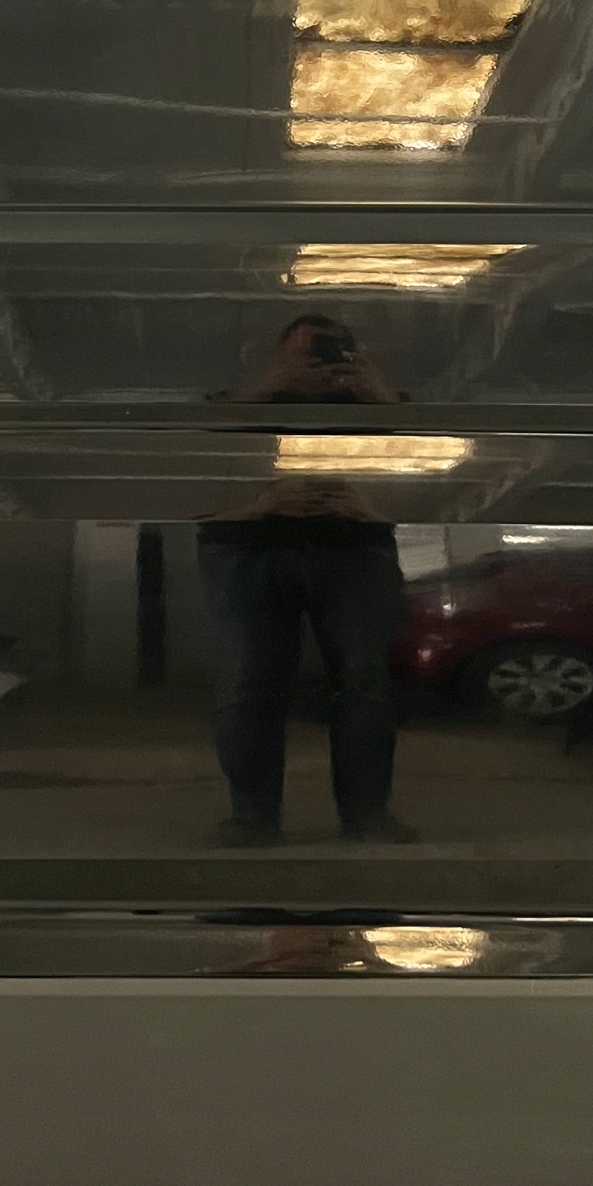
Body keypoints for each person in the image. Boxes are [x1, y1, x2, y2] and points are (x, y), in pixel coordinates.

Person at [196, 315, 417, 846]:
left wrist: (381, 399)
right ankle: (252, 819)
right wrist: (258, 502)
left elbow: (443, 467)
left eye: (336, 351)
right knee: (246, 682)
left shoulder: (377, 404)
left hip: (353, 544)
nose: (323, 363)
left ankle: (366, 816)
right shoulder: (240, 401)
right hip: (247, 545)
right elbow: (188, 464)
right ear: (276, 355)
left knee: (364, 682)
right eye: (307, 352)